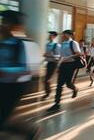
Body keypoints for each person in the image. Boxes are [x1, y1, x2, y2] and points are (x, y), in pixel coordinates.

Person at [0, 10, 42, 139]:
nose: (2, 26)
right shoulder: (4, 43)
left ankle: (30, 130)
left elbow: (32, 69)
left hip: (15, 86)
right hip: (3, 83)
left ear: (16, 26)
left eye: (5, 23)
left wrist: (5, 72)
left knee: (2, 119)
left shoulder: (26, 44)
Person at [47, 30, 81, 111]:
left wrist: (69, 57)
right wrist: (58, 65)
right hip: (63, 65)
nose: (62, 35)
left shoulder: (73, 43)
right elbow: (61, 56)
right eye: (62, 34)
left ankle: (75, 89)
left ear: (69, 35)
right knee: (59, 85)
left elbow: (78, 53)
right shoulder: (62, 44)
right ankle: (57, 103)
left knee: (68, 84)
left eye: (64, 34)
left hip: (70, 65)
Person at [42, 31, 61, 100]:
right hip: (49, 63)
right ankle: (48, 92)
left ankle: (48, 93)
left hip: (54, 64)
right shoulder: (47, 44)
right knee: (46, 79)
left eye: (50, 35)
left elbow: (59, 56)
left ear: (54, 36)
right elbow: (47, 54)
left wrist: (49, 55)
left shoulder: (57, 45)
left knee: (47, 79)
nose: (49, 36)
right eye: (49, 35)